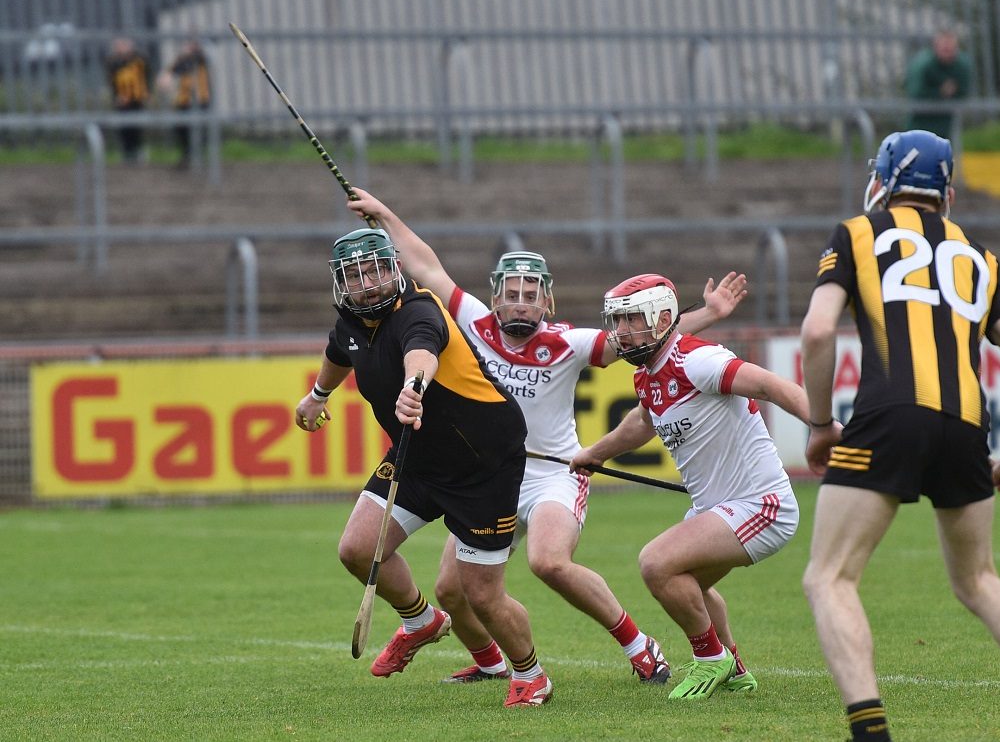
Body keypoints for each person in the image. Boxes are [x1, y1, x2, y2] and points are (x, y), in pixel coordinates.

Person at [346, 188, 748, 689]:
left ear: (547, 300)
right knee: (451, 590)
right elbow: (426, 266)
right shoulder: (471, 322)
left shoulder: (569, 343)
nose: (520, 302)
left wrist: (708, 313)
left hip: (552, 475)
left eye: (530, 293)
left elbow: (642, 335)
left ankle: (639, 646)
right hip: (490, 476)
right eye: (510, 293)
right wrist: (385, 216)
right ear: (495, 297)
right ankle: (492, 663)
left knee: (549, 562)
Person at [799, 129, 1000, 742]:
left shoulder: (858, 232)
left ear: (884, 180)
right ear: (947, 191)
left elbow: (815, 333)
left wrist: (818, 424)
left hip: (888, 414)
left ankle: (870, 732)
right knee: (979, 580)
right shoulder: (983, 258)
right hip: (967, 424)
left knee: (829, 577)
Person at [294, 226, 552, 708]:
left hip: (483, 465)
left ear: (393, 268)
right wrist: (318, 395)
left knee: (481, 593)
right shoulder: (350, 320)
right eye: (355, 275)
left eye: (375, 270)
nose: (367, 283)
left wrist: (413, 387)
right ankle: (420, 621)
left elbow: (422, 352)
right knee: (357, 548)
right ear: (341, 283)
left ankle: (531, 674)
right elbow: (337, 353)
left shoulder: (418, 309)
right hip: (417, 459)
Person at [569, 273, 816, 702]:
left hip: (762, 506)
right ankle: (735, 670)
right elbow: (643, 422)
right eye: (617, 322)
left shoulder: (696, 361)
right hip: (718, 509)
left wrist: (828, 427)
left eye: (631, 320)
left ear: (663, 317)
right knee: (692, 586)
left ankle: (710, 657)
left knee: (657, 563)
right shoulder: (648, 375)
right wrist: (596, 453)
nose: (621, 333)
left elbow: (771, 385)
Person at [905, 30, 971, 141]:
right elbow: (915, 92)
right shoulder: (923, 64)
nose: (948, 52)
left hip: (947, 123)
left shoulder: (961, 65)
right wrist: (940, 92)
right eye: (944, 49)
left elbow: (963, 91)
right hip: (920, 122)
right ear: (935, 47)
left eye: (951, 49)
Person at [157, 38, 211, 167]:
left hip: (200, 100)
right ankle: (188, 155)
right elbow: (167, 76)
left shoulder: (201, 58)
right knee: (181, 129)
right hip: (184, 100)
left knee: (198, 130)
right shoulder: (182, 61)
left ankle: (196, 156)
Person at [106, 37, 149, 163]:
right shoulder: (113, 62)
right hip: (122, 100)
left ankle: (138, 152)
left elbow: (146, 76)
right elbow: (112, 82)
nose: (121, 48)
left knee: (136, 127)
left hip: (137, 99)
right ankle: (127, 153)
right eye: (118, 45)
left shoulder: (139, 59)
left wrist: (147, 93)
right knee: (123, 128)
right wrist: (116, 97)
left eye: (123, 45)